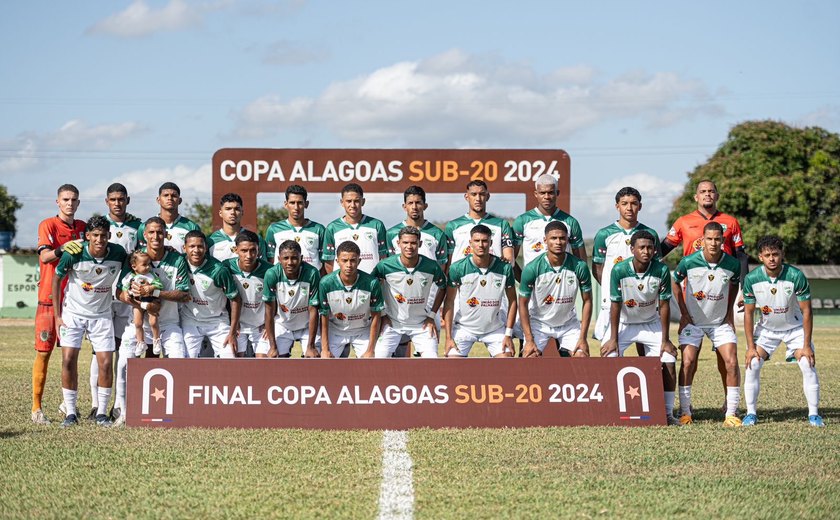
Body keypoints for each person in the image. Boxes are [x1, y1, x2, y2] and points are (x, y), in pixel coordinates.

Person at [661, 179, 749, 406]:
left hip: (721, 297)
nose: (707, 194)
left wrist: (744, 291)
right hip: (694, 298)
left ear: (717, 195)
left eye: (711, 191)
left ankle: (728, 403)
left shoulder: (730, 222)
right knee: (690, 357)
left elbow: (740, 256)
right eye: (703, 191)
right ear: (696, 197)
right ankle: (686, 405)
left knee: (726, 357)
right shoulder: (683, 221)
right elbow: (664, 249)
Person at [113, 217, 190, 425]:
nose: (156, 236)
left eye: (160, 232)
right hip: (138, 324)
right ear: (144, 235)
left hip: (169, 323)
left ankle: (178, 414)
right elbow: (120, 292)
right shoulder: (135, 259)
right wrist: (133, 299)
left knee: (179, 362)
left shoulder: (177, 260)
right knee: (122, 364)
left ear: (166, 234)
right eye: (152, 232)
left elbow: (184, 294)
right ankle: (123, 412)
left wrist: (155, 292)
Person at [52, 216, 127, 427]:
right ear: (87, 236)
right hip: (73, 313)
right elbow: (57, 279)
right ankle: (71, 412)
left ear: (109, 236)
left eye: (103, 235)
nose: (99, 239)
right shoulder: (74, 253)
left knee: (105, 362)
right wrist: (58, 316)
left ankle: (102, 412)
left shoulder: (119, 254)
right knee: (68, 360)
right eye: (95, 235)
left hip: (102, 314)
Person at [742, 236, 823, 427]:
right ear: (760, 257)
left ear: (782, 255)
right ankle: (751, 413)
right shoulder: (751, 279)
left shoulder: (796, 276)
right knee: (752, 364)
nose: (772, 259)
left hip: (794, 329)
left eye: (776, 254)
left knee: (807, 364)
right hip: (767, 330)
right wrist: (750, 347)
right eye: (767, 255)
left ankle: (814, 415)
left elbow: (807, 311)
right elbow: (748, 313)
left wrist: (806, 345)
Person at [600, 230, 679, 424]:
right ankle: (612, 409)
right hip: (624, 324)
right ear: (632, 249)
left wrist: (665, 339)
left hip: (650, 322)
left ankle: (667, 413)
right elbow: (615, 305)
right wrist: (613, 339)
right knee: (609, 356)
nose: (646, 251)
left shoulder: (660, 270)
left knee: (668, 358)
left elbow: (665, 305)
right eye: (641, 247)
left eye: (650, 247)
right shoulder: (619, 270)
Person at [672, 222, 742, 426]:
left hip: (719, 323)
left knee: (731, 362)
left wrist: (729, 313)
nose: (713, 243)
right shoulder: (688, 262)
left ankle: (731, 413)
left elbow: (735, 283)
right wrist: (684, 313)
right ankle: (685, 412)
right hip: (693, 322)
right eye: (709, 239)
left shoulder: (732, 264)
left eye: (717, 239)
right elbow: (675, 282)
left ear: (722, 240)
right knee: (687, 362)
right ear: (702, 240)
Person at [31, 184, 86, 425]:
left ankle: (67, 403)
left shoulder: (84, 228)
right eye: (65, 199)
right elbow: (44, 256)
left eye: (74, 199)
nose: (70, 203)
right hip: (48, 299)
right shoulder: (48, 225)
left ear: (78, 202)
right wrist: (62, 248)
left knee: (70, 356)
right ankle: (36, 408)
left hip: (73, 302)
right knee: (43, 354)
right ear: (58, 202)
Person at [592, 187, 661, 342]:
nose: (629, 208)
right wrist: (612, 287)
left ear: (640, 206)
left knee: (645, 343)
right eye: (624, 203)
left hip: (643, 298)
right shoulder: (605, 234)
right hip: (613, 299)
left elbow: (657, 268)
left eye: (633, 203)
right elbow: (597, 269)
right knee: (609, 344)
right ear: (617, 206)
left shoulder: (650, 233)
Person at [386, 185, 447, 357]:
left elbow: (442, 271)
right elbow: (387, 269)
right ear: (404, 206)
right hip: (398, 304)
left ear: (425, 206)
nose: (414, 207)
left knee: (426, 351)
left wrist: (437, 307)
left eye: (418, 203)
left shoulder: (437, 234)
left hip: (428, 301)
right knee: (398, 351)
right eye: (410, 203)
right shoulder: (391, 233)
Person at [518, 221, 593, 357]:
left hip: (568, 324)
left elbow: (587, 301)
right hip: (539, 323)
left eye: (562, 238)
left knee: (582, 356)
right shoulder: (532, 268)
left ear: (567, 240)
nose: (558, 242)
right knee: (529, 356)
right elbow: (522, 303)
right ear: (545, 240)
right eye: (553, 238)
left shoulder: (580, 266)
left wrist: (583, 338)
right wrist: (529, 340)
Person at [372, 226, 447, 358]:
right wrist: (382, 314)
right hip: (392, 323)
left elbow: (443, 287)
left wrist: (432, 315)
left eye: (413, 243)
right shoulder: (384, 266)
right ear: (398, 243)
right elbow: (373, 287)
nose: (409, 246)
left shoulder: (431, 266)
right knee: (378, 360)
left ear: (420, 244)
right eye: (405, 243)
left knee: (432, 360)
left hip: (422, 324)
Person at [444, 225, 517, 358]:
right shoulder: (457, 268)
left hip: (494, 329)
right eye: (477, 241)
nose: (481, 245)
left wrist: (508, 334)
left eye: (484, 241)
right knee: (452, 364)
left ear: (491, 243)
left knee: (507, 363)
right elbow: (449, 302)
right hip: (464, 328)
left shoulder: (505, 268)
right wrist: (448, 337)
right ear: (470, 243)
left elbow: (513, 300)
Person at [180, 230, 241, 358]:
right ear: (184, 248)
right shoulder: (180, 263)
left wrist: (233, 331)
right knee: (185, 361)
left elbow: (235, 299)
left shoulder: (218, 270)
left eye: (200, 246)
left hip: (217, 321)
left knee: (230, 358)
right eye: (192, 246)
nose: (196, 250)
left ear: (206, 247)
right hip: (191, 319)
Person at [318, 241, 383, 358]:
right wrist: (325, 349)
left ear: (359, 261)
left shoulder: (372, 282)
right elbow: (324, 317)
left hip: (362, 330)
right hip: (336, 330)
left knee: (374, 360)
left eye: (353, 260)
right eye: (344, 260)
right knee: (325, 363)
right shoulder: (325, 283)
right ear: (337, 261)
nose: (349, 265)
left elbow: (376, 317)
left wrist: (371, 350)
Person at [262, 240, 321, 358]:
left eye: (294, 258)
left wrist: (311, 346)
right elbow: (269, 311)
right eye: (285, 258)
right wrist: (273, 347)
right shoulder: (272, 274)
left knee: (314, 358)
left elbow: (313, 310)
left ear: (301, 258)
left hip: (306, 326)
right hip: (283, 325)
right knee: (270, 357)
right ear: (279, 259)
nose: (290, 262)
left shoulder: (312, 273)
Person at [513, 173, 586, 268]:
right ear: (536, 194)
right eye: (542, 193)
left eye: (551, 192)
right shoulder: (522, 221)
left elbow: (581, 262)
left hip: (562, 280)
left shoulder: (571, 222)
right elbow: (510, 259)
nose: (546, 197)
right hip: (534, 282)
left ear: (557, 193)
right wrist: (524, 280)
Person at [224, 230, 273, 357]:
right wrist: (232, 327)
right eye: (244, 251)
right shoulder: (226, 267)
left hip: (261, 326)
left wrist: (270, 323)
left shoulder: (269, 270)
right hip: (237, 326)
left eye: (253, 250)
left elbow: (275, 300)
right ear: (236, 250)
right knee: (236, 363)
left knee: (263, 364)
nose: (249, 255)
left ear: (259, 250)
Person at [445, 180, 514, 267]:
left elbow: (509, 259)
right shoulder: (453, 226)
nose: (478, 199)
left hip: (493, 276)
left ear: (487, 196)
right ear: (466, 197)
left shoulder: (502, 224)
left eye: (482, 194)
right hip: (462, 278)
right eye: (474, 194)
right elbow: (447, 261)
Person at [322, 183, 388, 274]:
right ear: (342, 202)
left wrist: (379, 278)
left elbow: (384, 257)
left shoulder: (377, 225)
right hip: (342, 286)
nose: (352, 205)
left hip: (371, 283)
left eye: (356, 201)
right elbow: (329, 263)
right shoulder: (332, 228)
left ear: (363, 201)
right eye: (348, 201)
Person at [265, 184, 326, 273]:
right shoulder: (274, 229)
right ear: (286, 204)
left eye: (300, 203)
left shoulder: (319, 229)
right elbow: (269, 261)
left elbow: (325, 262)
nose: (296, 207)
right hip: (282, 282)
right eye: (292, 203)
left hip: (311, 281)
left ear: (306, 204)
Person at [137, 182, 201, 253]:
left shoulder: (191, 227)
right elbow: (140, 254)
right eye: (166, 195)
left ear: (179, 201)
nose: (170, 198)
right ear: (158, 200)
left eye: (173, 195)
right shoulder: (144, 227)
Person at [122, 251, 164, 357]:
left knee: (153, 322)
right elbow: (125, 286)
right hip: (136, 302)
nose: (148, 267)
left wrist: (151, 287)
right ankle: (140, 342)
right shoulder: (130, 277)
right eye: (144, 265)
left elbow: (159, 284)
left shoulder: (151, 275)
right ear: (134, 266)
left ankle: (156, 340)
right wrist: (126, 293)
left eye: (149, 264)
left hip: (150, 300)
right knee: (137, 323)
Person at [207, 192, 268, 263]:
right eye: (228, 209)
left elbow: (263, 268)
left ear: (242, 212)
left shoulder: (256, 239)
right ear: (220, 213)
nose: (232, 212)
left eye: (237, 209)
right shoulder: (210, 241)